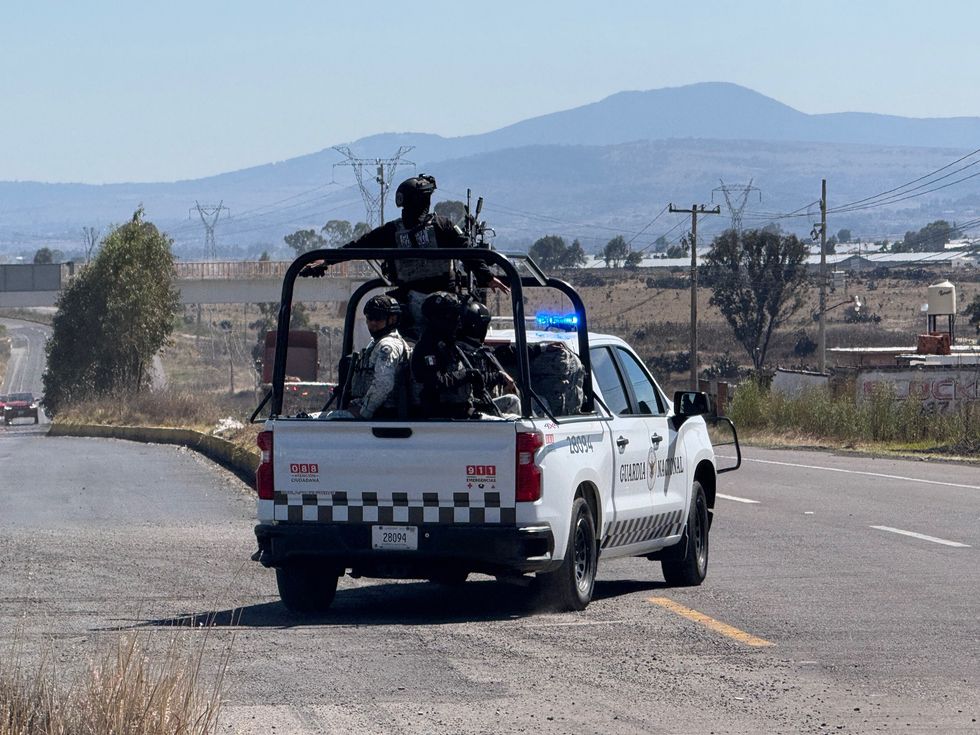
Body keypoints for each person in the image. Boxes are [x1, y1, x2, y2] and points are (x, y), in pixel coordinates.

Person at [343, 174, 506, 336]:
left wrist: (486, 276)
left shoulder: (438, 227)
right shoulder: (402, 230)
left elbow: (468, 251)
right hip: (412, 306)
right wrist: (327, 260)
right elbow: (360, 245)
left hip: (442, 305)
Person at [410, 292, 484, 419]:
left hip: (460, 411)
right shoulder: (428, 347)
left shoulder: (448, 343)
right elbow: (436, 381)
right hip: (443, 415)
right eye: (453, 316)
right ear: (440, 319)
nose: (458, 322)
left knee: (511, 401)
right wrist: (466, 375)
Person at [345, 294, 411, 419]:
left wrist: (364, 412)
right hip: (371, 411)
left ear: (392, 319)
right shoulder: (376, 343)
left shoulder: (387, 346)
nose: (373, 323)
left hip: (382, 414)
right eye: (370, 318)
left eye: (378, 318)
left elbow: (383, 384)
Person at [455, 298, 521, 416]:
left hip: (487, 401)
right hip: (476, 406)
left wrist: (542, 348)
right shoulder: (463, 352)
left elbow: (506, 353)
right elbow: (475, 379)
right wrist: (499, 376)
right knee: (512, 401)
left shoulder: (480, 350)